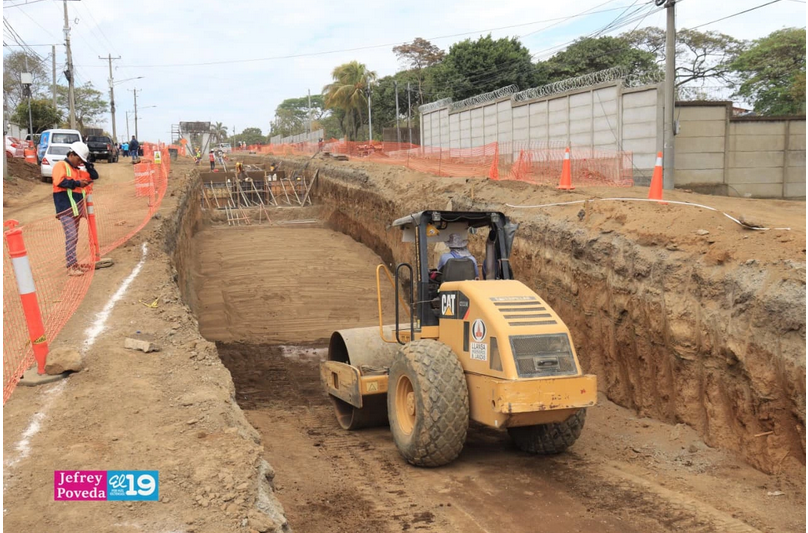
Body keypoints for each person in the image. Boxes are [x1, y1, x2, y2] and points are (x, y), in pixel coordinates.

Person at [52, 142, 98, 276]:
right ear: (71, 154)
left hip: (75, 209)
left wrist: (88, 164)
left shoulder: (78, 171)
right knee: (71, 236)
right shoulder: (61, 165)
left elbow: (94, 176)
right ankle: (71, 266)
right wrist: (77, 183)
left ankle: (74, 263)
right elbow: (59, 182)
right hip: (65, 208)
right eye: (78, 159)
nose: (79, 162)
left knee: (74, 237)